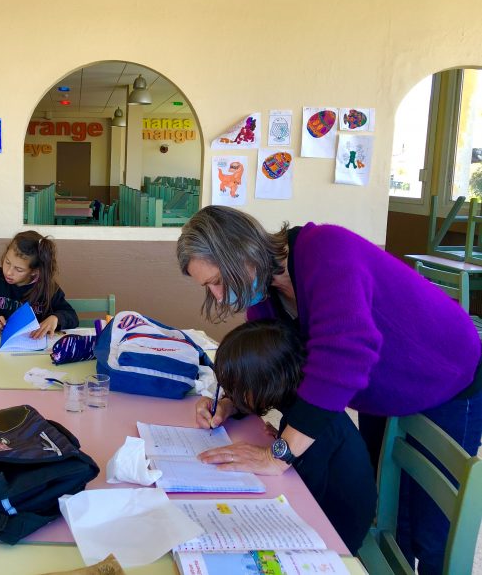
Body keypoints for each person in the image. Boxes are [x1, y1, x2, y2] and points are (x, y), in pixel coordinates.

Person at [177, 205, 482, 574]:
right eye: (209, 287)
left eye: (218, 280)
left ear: (242, 253)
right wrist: (230, 403)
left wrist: (279, 454)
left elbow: (342, 360)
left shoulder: (327, 249)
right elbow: (270, 369)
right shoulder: (264, 299)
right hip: (386, 390)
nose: (221, 296)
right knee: (393, 516)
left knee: (432, 534)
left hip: (446, 372)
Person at [196, 319, 376, 553]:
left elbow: (301, 492)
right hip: (321, 503)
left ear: (265, 385)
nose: (232, 395)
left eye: (237, 389)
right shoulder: (299, 401)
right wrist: (229, 406)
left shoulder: (317, 428)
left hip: (335, 532)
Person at [0, 231, 78, 337]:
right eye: (7, 262)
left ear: (35, 271)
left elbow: (72, 316)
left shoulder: (47, 287)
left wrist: (56, 318)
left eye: (19, 269)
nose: (8, 272)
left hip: (34, 349)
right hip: (0, 347)